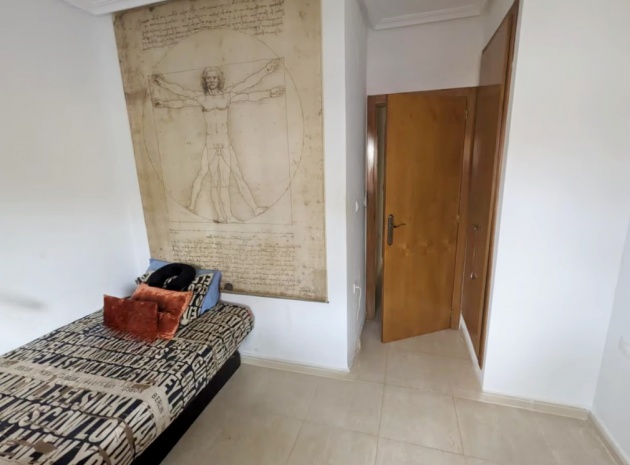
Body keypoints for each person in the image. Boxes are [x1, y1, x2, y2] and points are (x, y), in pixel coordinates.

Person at [152, 60, 285, 223]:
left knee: (233, 177)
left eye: (214, 77)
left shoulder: (227, 96)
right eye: (208, 78)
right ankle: (213, 213)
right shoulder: (201, 98)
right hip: (211, 144)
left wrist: (268, 78)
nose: (211, 80)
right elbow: (181, 97)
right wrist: (163, 93)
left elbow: (247, 90)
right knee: (213, 180)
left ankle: (250, 210)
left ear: (219, 79)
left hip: (225, 142)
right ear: (205, 81)